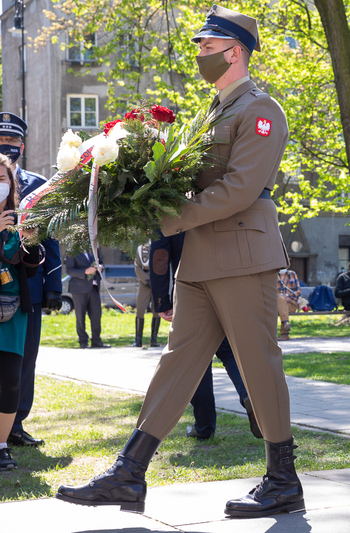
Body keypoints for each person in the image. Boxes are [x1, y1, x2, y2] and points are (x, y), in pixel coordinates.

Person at [57, 5, 304, 518]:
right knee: (177, 364)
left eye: (207, 48)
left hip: (239, 254)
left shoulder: (261, 110)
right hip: (202, 260)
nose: (199, 56)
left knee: (258, 364)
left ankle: (283, 480)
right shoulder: (212, 111)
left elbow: (239, 189)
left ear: (234, 52)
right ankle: (129, 473)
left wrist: (169, 217)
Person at [148, 230, 260, 441]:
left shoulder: (169, 202)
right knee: (228, 350)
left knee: (195, 358)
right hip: (227, 286)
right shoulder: (217, 197)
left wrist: (161, 299)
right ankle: (248, 396)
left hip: (191, 290)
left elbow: (160, 255)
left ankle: (204, 425)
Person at [0, 112, 62, 449]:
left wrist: (54, 285)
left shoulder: (39, 185)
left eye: (12, 142)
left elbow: (51, 238)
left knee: (24, 359)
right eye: (1, 141)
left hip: (30, 288)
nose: (7, 147)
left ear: (22, 145)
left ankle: (16, 423)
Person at [0, 154, 42, 470]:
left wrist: (30, 243)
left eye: (3, 179)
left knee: (11, 380)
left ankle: (1, 446)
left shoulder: (18, 220)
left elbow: (28, 271)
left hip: (12, 314)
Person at [65, 251, 109, 349]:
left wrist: (101, 267)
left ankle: (97, 341)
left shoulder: (94, 248)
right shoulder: (72, 250)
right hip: (79, 289)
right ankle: (83, 342)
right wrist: (85, 271)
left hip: (94, 288)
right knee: (80, 317)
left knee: (96, 315)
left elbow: (101, 263)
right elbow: (69, 270)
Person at [131, 243, 161, 348]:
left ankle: (154, 339)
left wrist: (156, 280)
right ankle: (138, 340)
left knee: (156, 310)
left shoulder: (160, 245)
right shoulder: (142, 248)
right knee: (140, 309)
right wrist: (147, 281)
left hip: (157, 281)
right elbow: (137, 267)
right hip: (145, 283)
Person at [277, 265, 301, 341]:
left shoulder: (292, 274)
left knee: (282, 306)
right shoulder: (273, 276)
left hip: (291, 303)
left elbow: (298, 291)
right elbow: (270, 292)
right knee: (281, 301)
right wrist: (282, 297)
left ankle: (285, 332)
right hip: (277, 304)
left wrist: (288, 296)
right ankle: (286, 325)